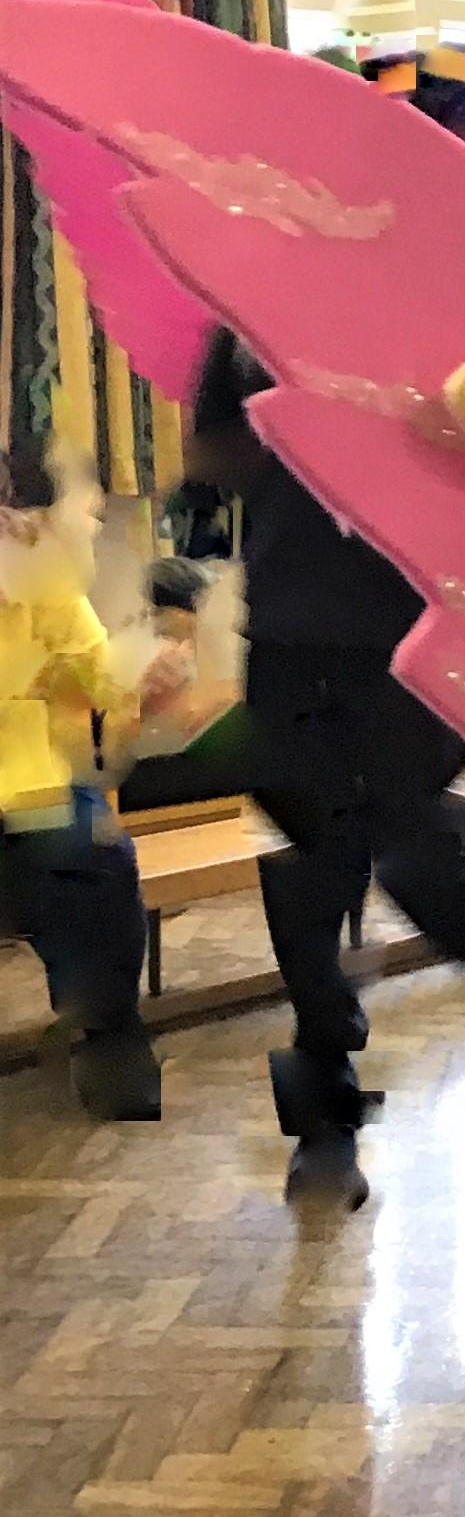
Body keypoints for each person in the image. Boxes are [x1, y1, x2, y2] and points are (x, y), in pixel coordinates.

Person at [186, 332, 465, 1206]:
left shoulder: (417, 300)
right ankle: (324, 1127)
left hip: (409, 639)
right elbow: (212, 455)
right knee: (306, 878)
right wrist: (273, 435)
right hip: (284, 641)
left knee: (414, 859)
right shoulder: (238, 312)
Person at [0, 443, 166, 1118]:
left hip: (34, 793)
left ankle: (109, 1036)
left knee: (98, 859)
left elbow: (98, 674)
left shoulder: (41, 582)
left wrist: (146, 669)